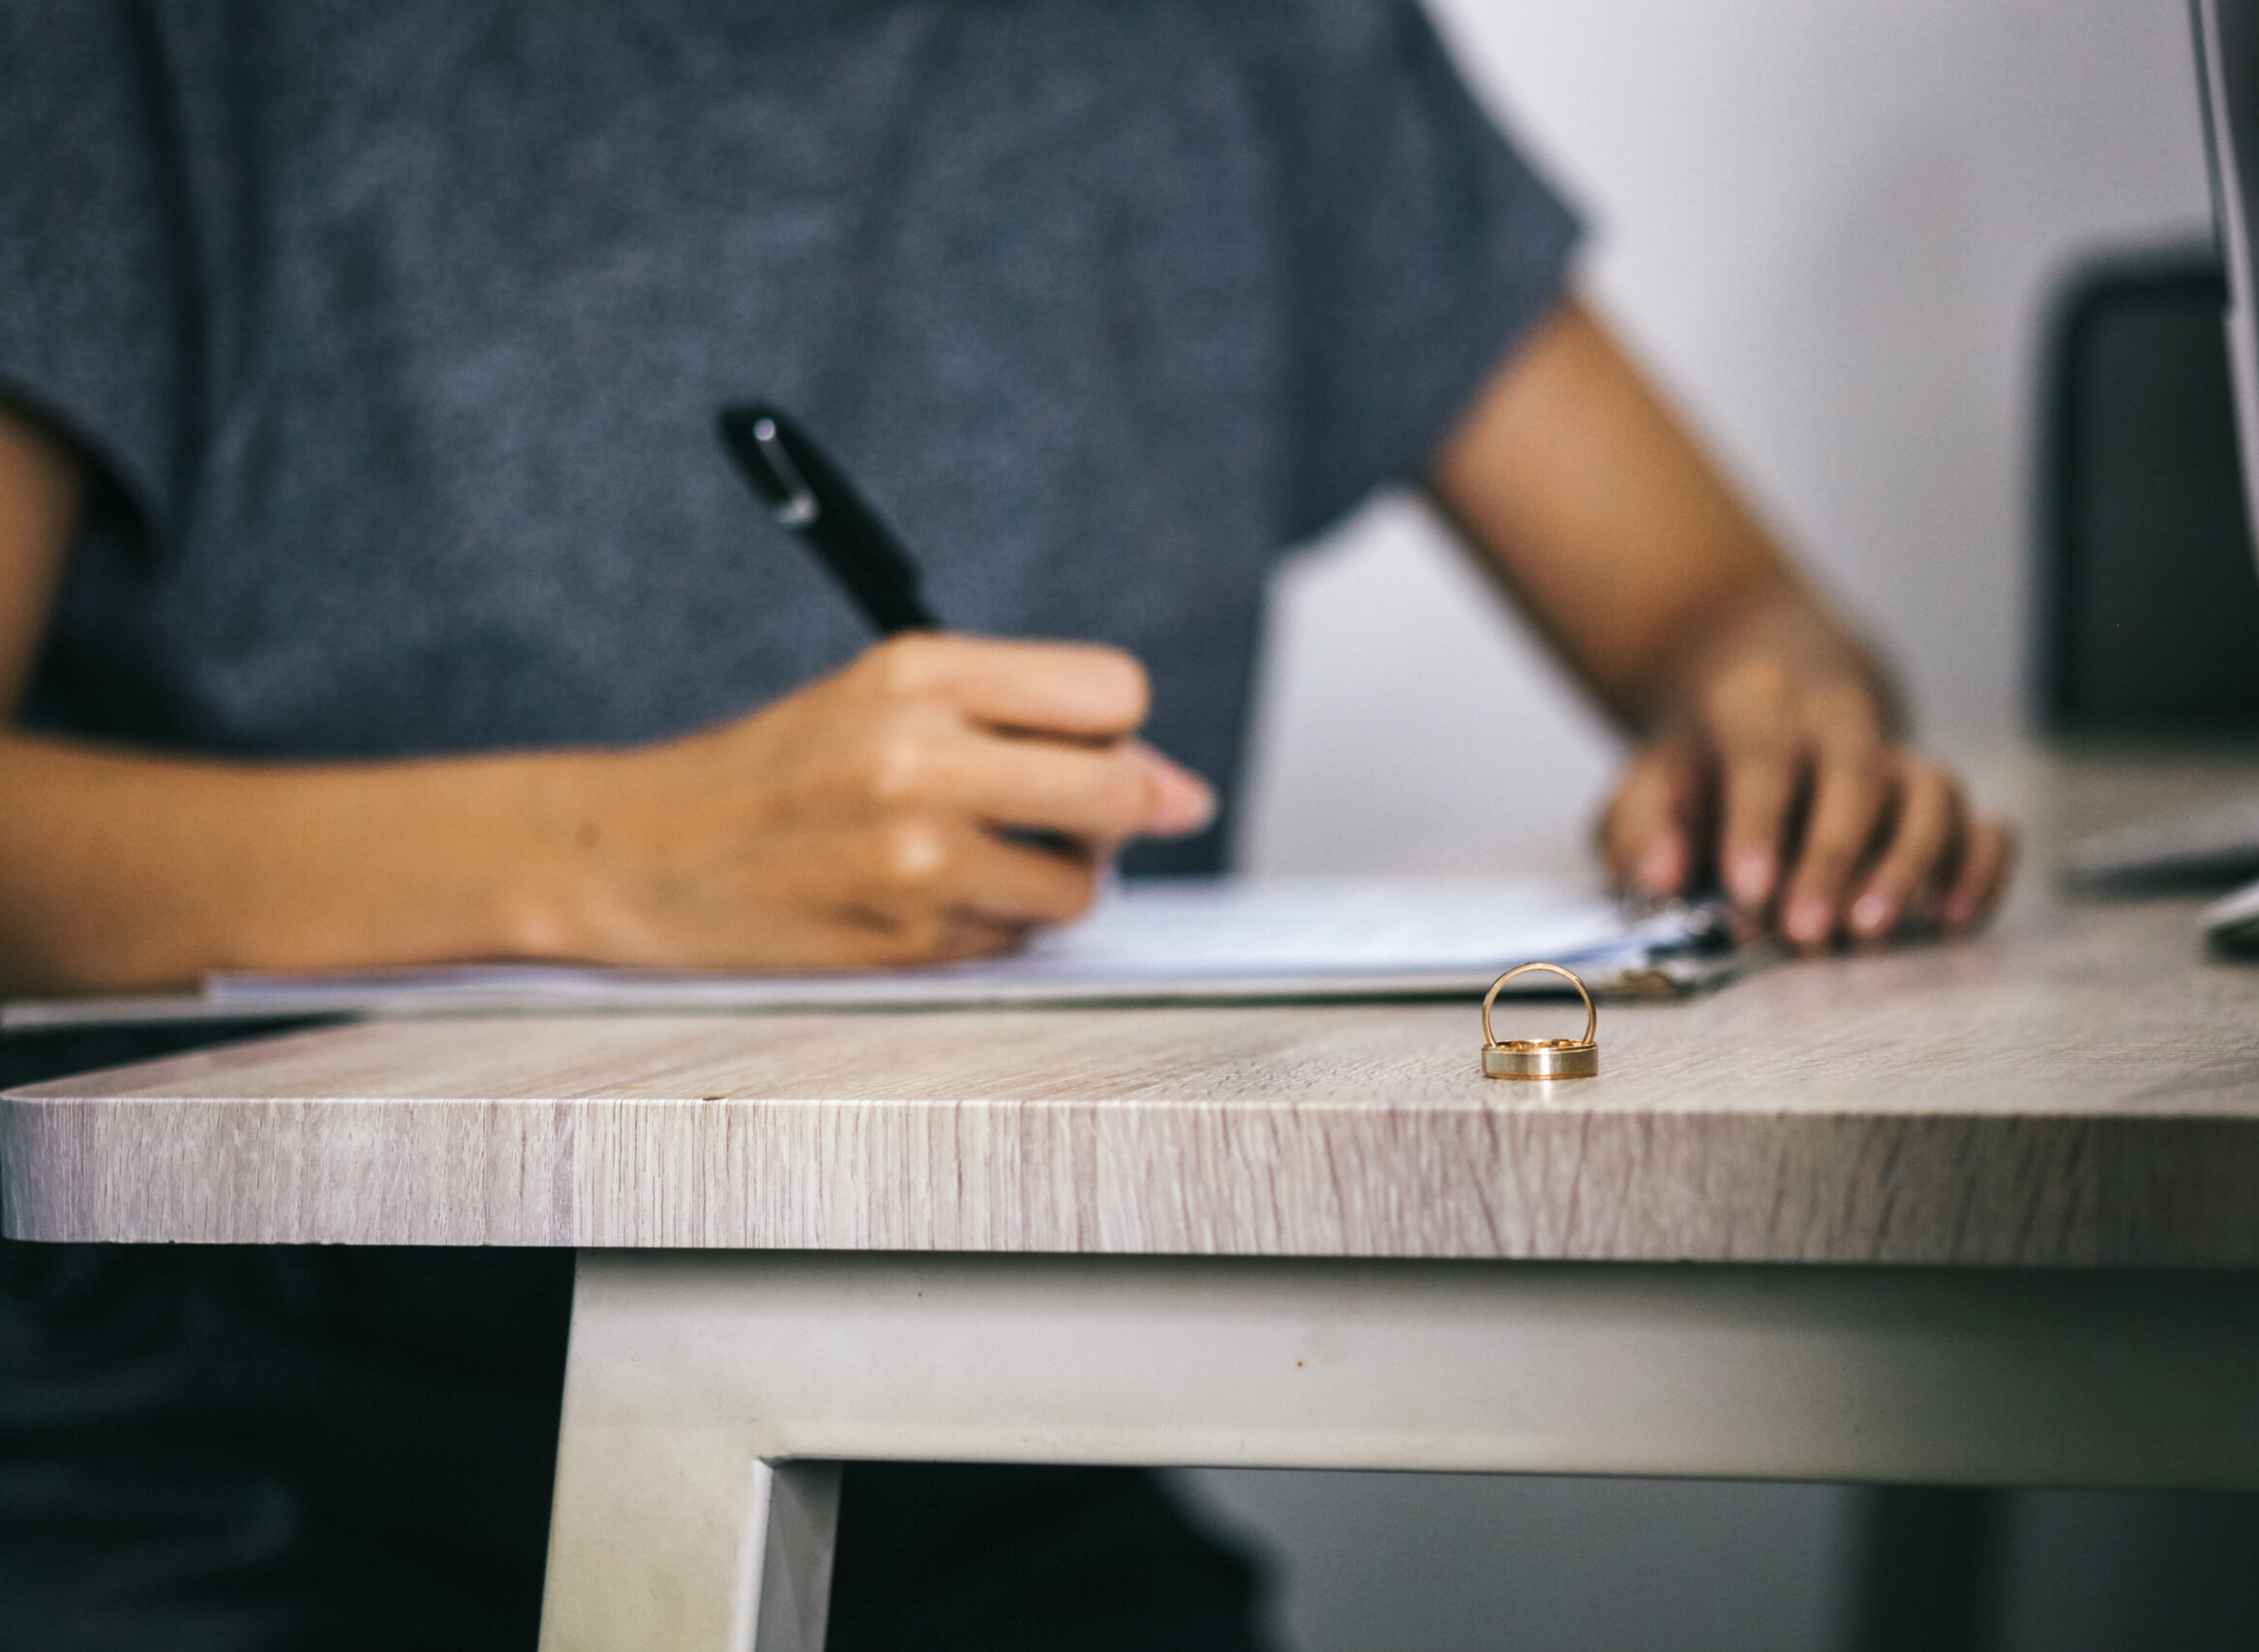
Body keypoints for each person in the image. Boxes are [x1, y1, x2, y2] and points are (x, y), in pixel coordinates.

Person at [0, 2, 2012, 1647]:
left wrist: (1773, 722)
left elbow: (1713, 606)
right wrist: (625, 856)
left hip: (991, 1438)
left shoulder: (1236, 42)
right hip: (225, 1469)